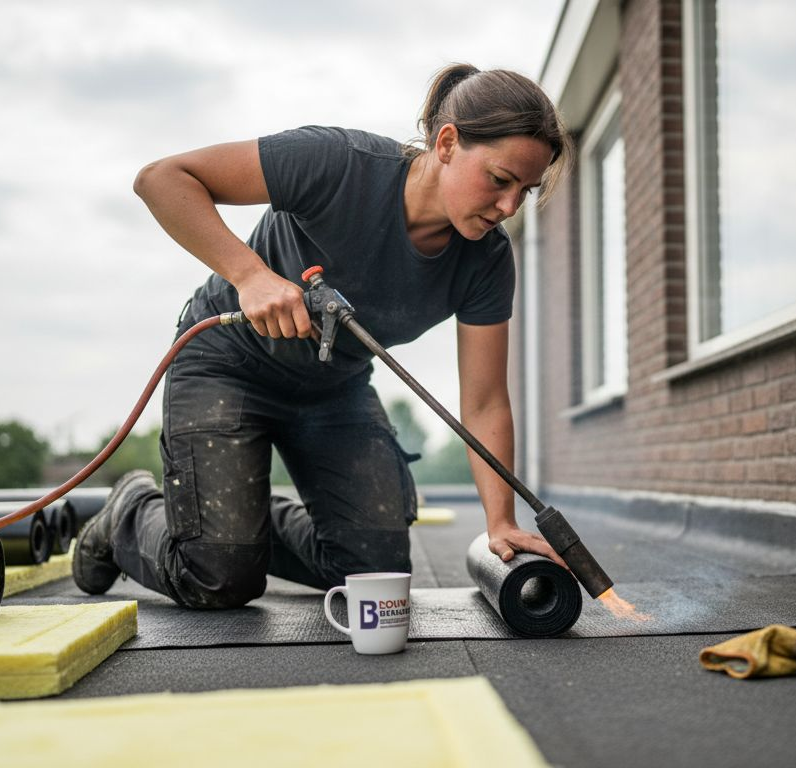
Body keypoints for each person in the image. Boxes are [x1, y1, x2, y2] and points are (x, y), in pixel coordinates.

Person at [72, 63, 572, 609]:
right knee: (219, 576)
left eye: (525, 190)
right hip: (226, 365)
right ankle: (129, 511)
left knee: (372, 576)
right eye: (501, 180)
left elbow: (484, 401)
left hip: (334, 389)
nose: (508, 207)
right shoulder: (339, 164)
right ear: (447, 143)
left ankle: (233, 526)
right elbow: (161, 179)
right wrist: (251, 276)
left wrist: (500, 521)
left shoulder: (487, 260)